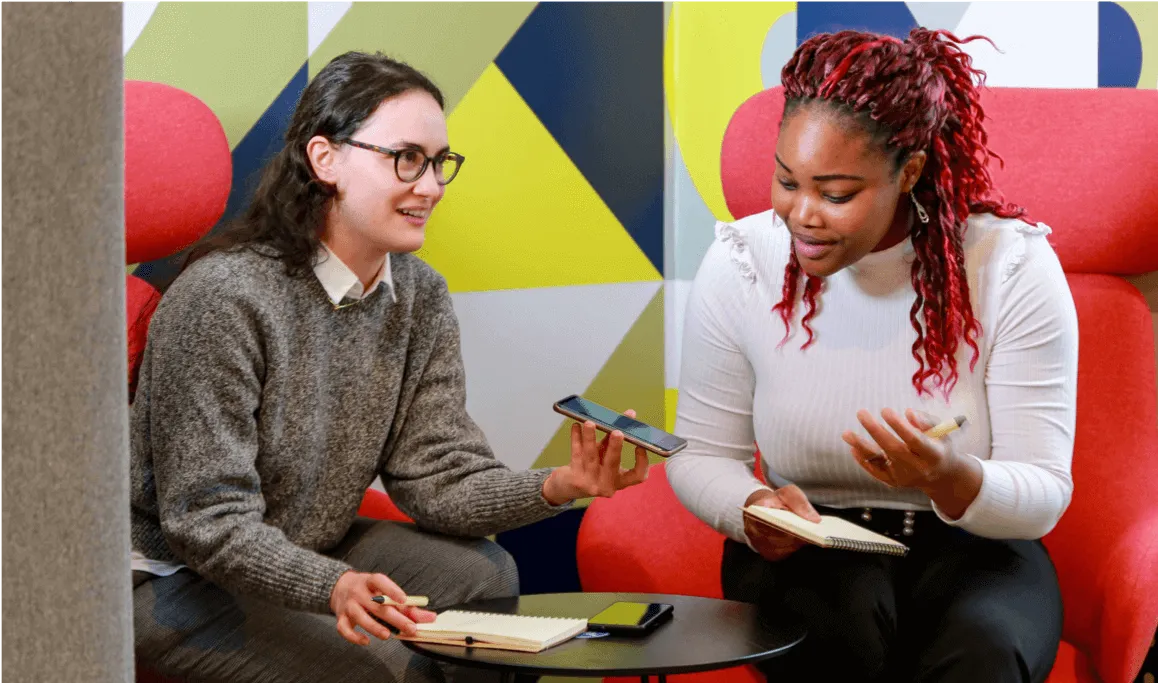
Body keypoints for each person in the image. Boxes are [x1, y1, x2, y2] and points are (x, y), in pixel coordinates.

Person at [129, 51, 649, 683]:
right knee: (385, 667)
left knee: (484, 576)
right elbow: (205, 522)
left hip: (307, 544)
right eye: (405, 158)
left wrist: (560, 485)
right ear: (325, 159)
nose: (430, 186)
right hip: (173, 576)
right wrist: (331, 585)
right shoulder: (223, 298)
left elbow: (438, 478)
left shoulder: (418, 295)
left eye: (438, 162)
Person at [668, 28, 1077, 683]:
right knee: (838, 627)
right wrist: (751, 506)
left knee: (985, 649)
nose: (801, 215)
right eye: (786, 181)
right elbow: (701, 454)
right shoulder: (742, 261)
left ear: (908, 172)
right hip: (808, 543)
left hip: (973, 545)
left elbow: (1044, 492)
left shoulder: (1010, 265)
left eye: (835, 194)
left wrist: (950, 476)